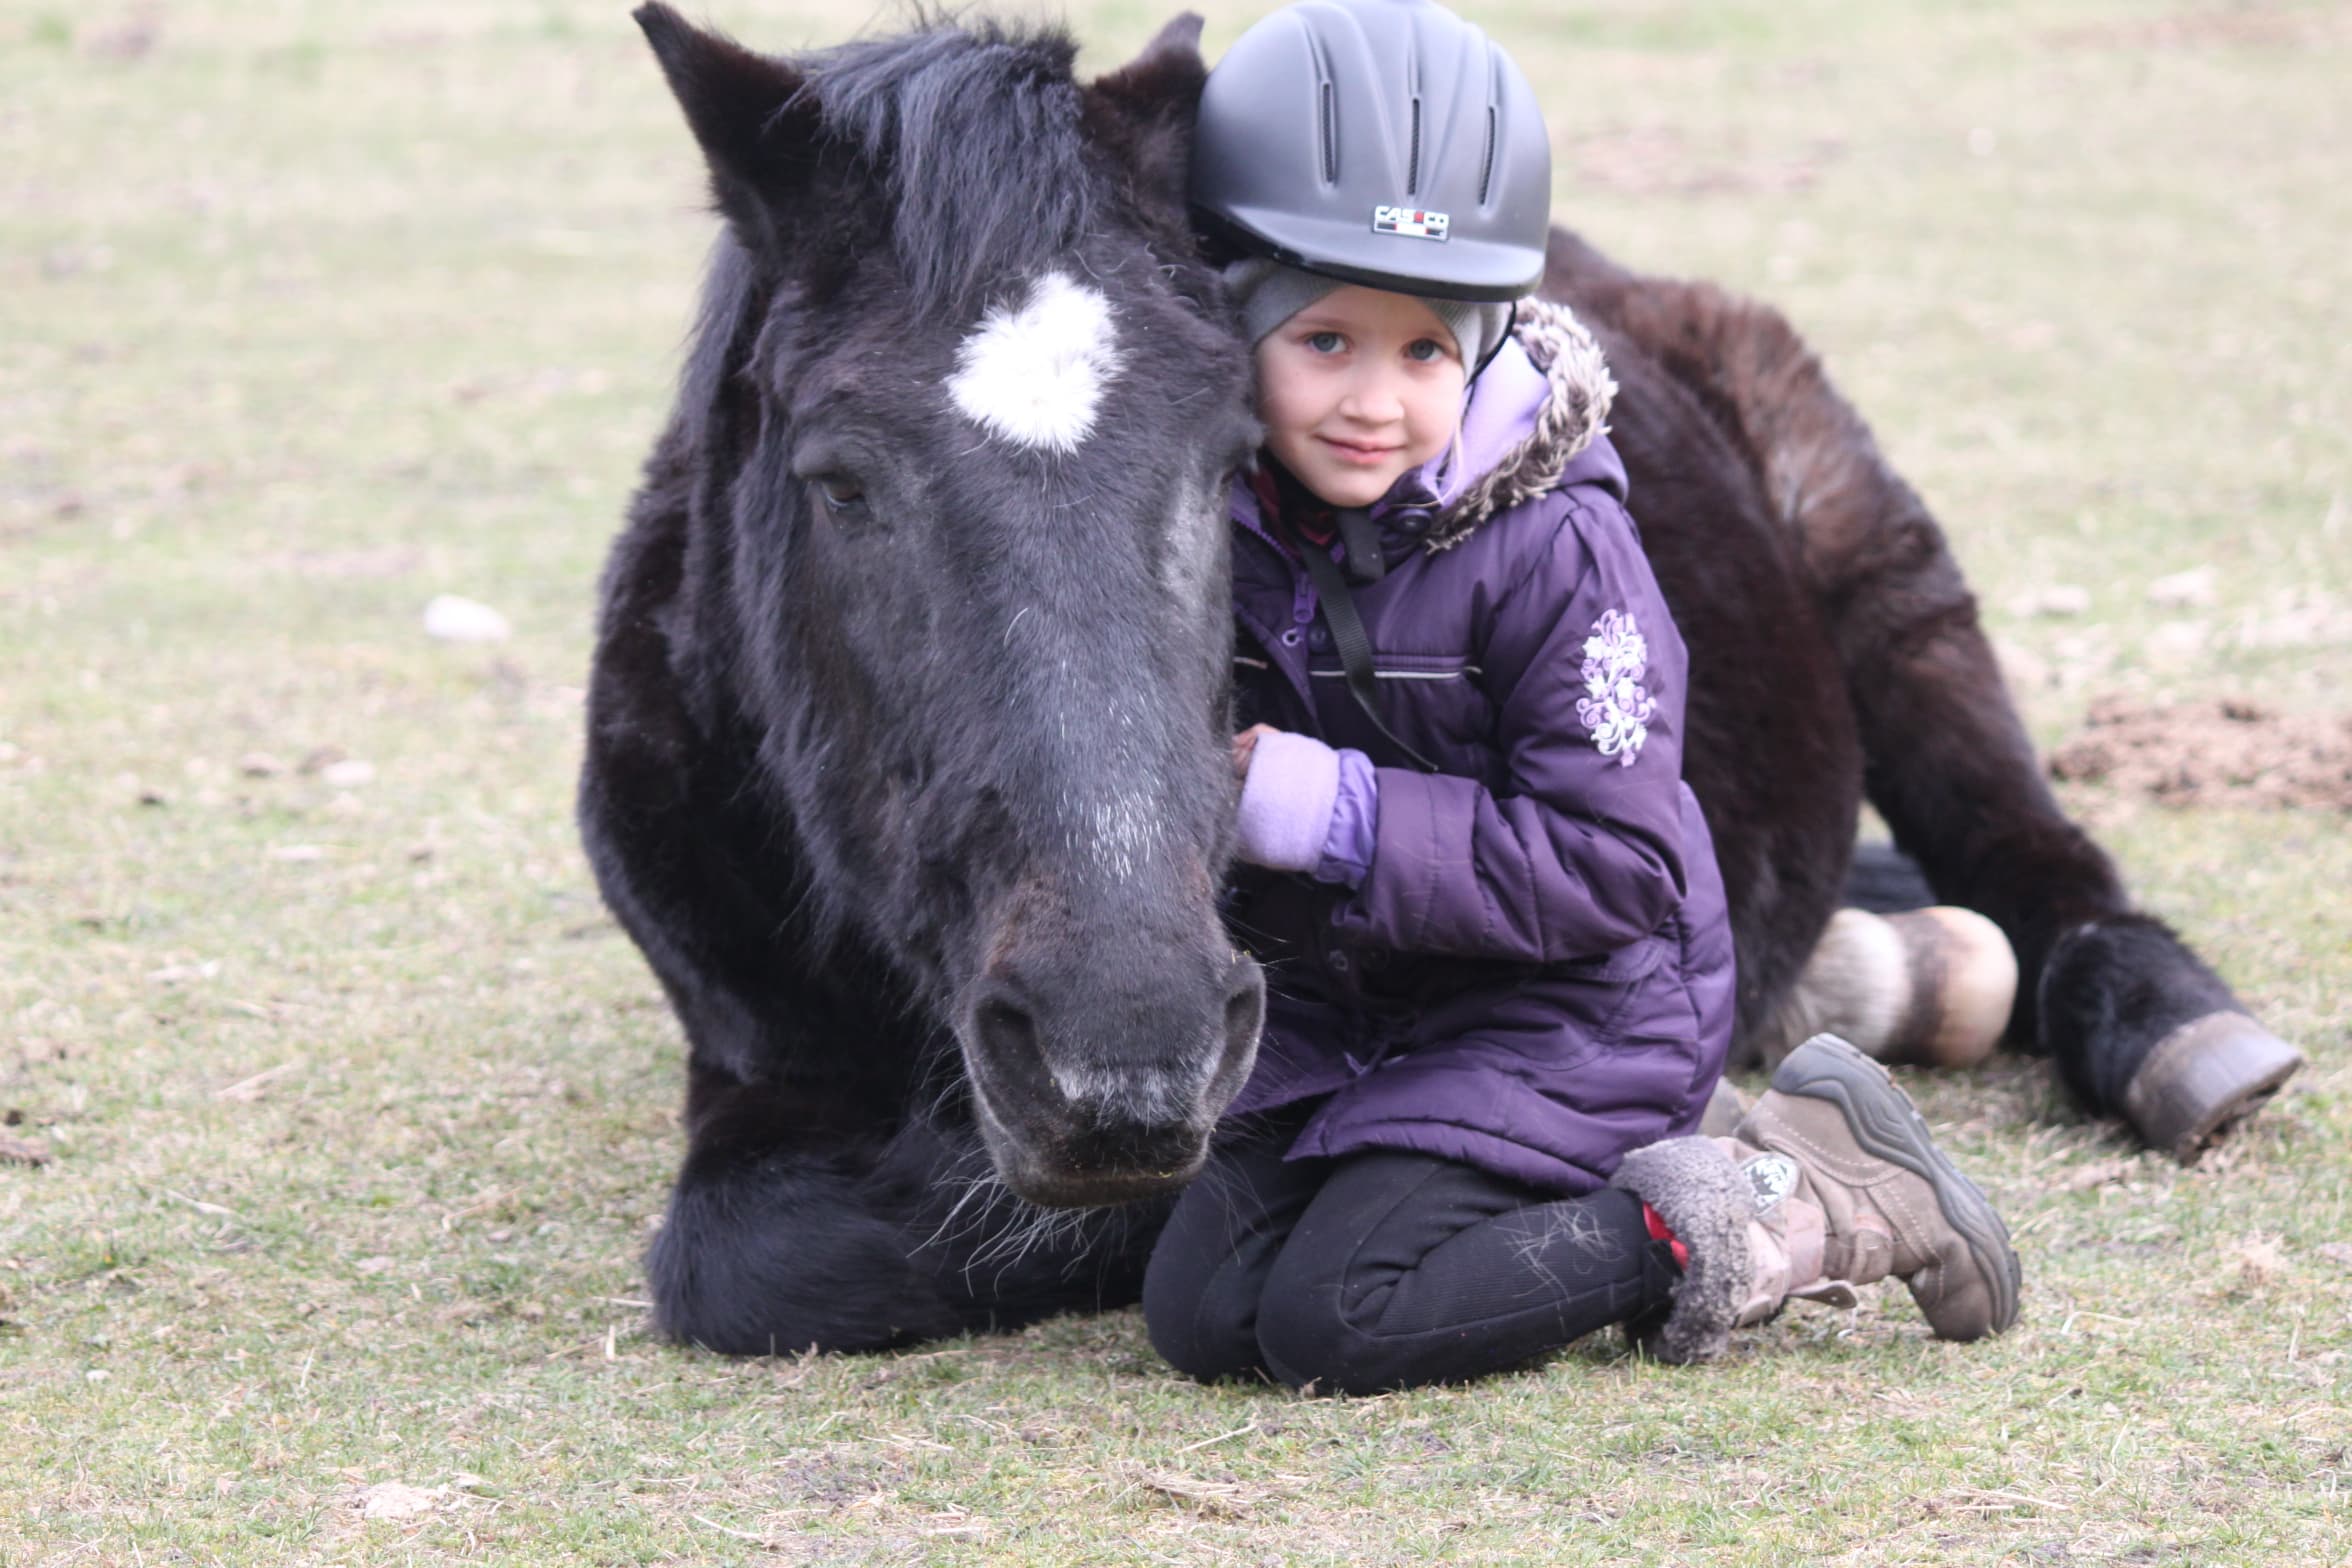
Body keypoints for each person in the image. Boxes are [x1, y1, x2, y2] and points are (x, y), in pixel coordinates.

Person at [1141, 0, 2021, 1394]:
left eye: (1426, 349)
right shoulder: (1223, 525)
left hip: (1573, 1006)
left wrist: (1331, 812)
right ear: (1234, 316)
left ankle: (1802, 1202)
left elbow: (1613, 861)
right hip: (1363, 1015)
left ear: (1487, 342)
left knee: (1342, 1319)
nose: (1376, 398)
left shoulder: (1561, 553)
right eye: (1326, 342)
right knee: (1200, 1318)